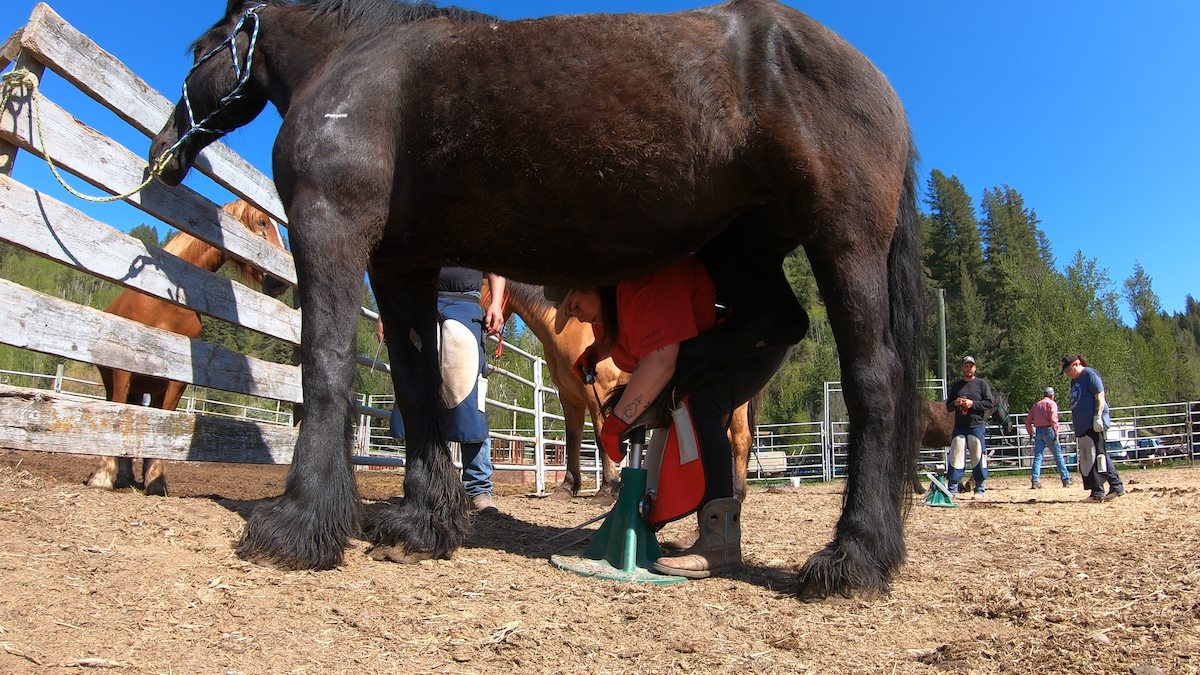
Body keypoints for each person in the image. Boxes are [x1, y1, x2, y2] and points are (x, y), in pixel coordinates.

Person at [550, 255, 790, 579]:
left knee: (704, 403)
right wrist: (597, 351)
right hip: (724, 337)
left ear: (594, 284)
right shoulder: (617, 300)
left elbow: (660, 361)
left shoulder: (645, 285)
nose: (574, 315)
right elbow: (636, 327)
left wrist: (614, 426)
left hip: (760, 330)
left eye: (574, 305)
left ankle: (720, 545)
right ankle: (699, 527)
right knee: (683, 404)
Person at [379, 268, 507, 514]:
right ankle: (421, 484)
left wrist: (496, 303)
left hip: (466, 304)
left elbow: (495, 265)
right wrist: (388, 312)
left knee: (470, 399)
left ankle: (477, 488)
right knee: (416, 393)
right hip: (419, 302)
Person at [1061, 354, 1124, 502]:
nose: (1067, 374)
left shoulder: (1089, 374)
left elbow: (1099, 395)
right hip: (1083, 425)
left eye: (1068, 369)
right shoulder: (1074, 381)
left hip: (1093, 423)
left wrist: (1097, 416)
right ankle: (1102, 489)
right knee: (1090, 457)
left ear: (1076, 364)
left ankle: (1110, 488)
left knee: (1098, 455)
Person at [945, 356, 996, 498]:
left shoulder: (981, 384)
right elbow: (948, 407)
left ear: (975, 368)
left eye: (971, 366)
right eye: (966, 366)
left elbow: (989, 403)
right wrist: (956, 403)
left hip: (976, 426)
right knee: (956, 454)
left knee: (978, 454)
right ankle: (953, 488)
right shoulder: (956, 386)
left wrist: (973, 404)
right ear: (962, 368)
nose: (969, 368)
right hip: (960, 426)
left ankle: (979, 488)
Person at [1025, 387, 1072, 489]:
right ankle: (1065, 479)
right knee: (1058, 455)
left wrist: (1031, 433)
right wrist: (1056, 433)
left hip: (1038, 431)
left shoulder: (1036, 405)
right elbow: (1053, 419)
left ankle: (1035, 480)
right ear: (1052, 395)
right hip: (1049, 430)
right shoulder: (1052, 404)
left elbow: (1027, 421)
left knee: (1038, 456)